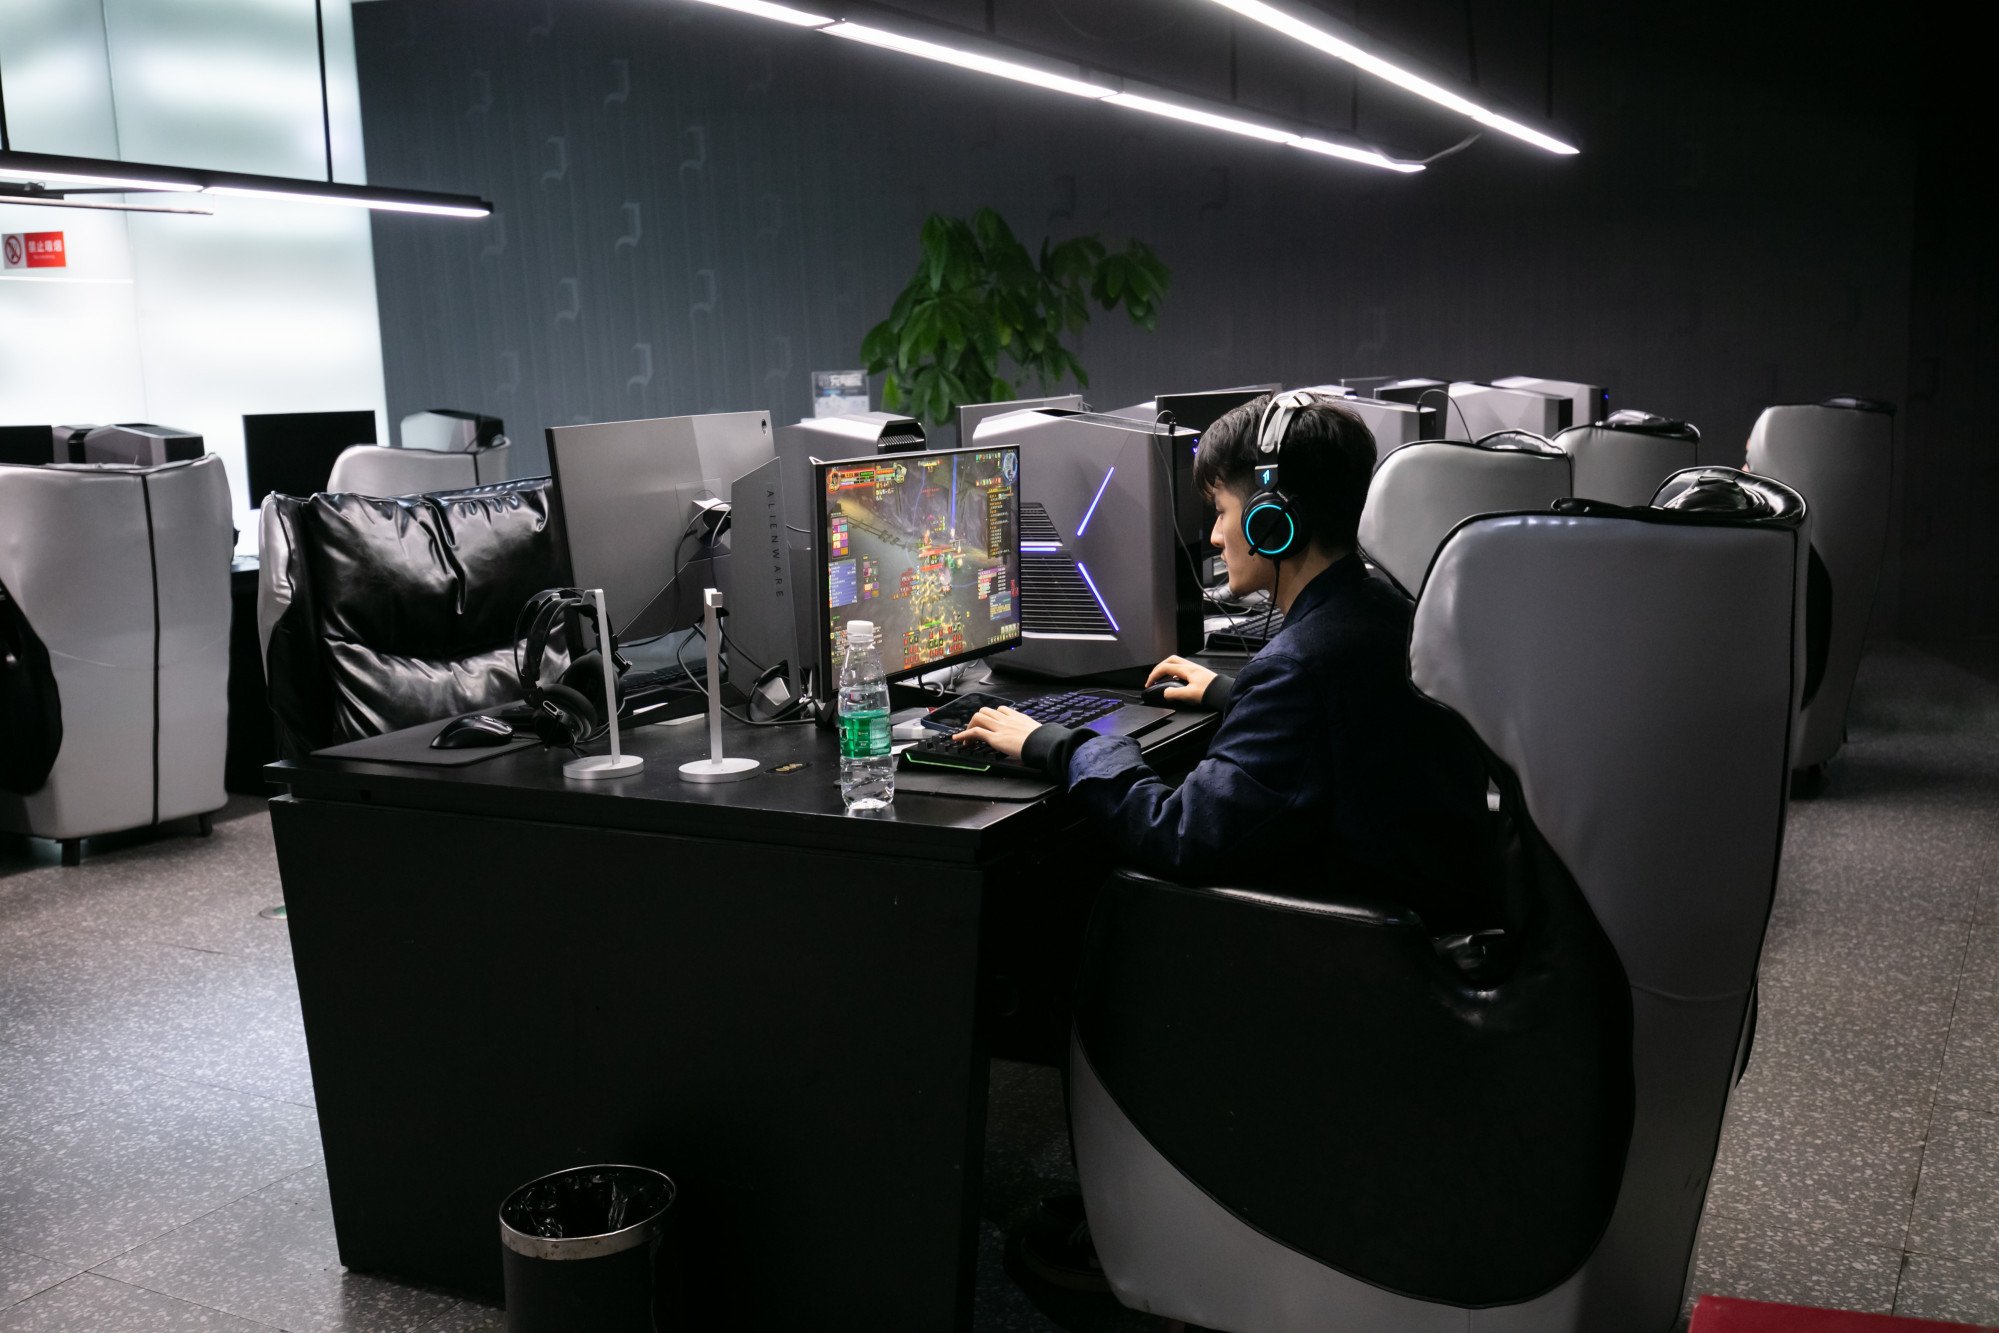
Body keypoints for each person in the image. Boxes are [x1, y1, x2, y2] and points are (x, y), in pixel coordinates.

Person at [955, 390, 1493, 930]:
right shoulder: (1389, 607)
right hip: (1435, 918)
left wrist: (1060, 744)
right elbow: (1348, 724)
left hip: (1354, 952)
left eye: (1221, 512)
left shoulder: (1298, 670)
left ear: (1272, 521)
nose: (1213, 536)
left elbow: (1179, 833)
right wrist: (1234, 693)